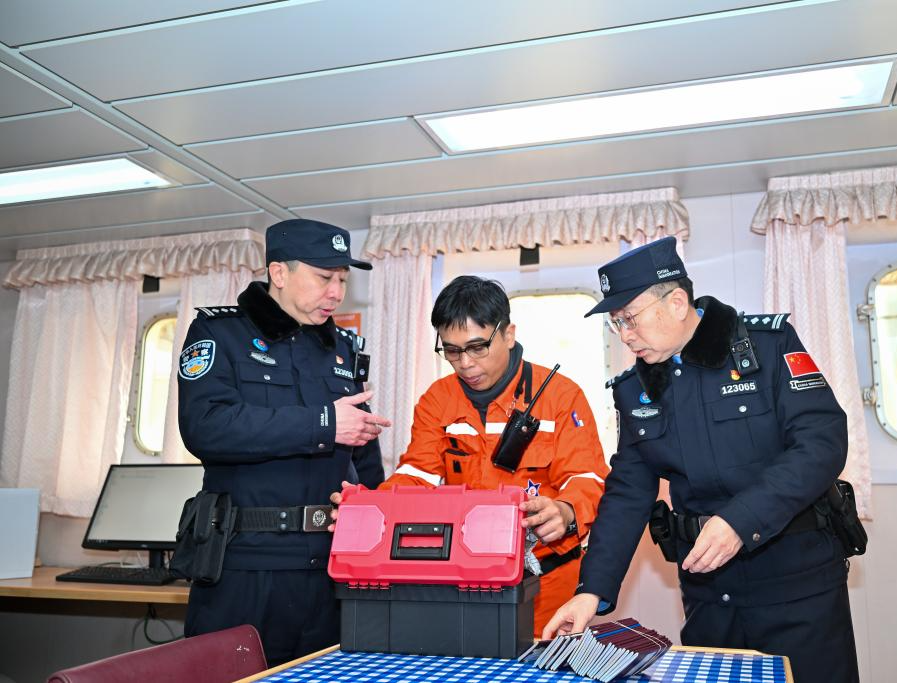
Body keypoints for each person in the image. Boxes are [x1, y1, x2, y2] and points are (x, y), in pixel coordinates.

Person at [543, 237, 859, 682]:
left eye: (630, 318)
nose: (625, 335)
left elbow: (822, 443)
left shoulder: (766, 346)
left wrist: (739, 521)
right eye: (616, 324)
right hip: (711, 596)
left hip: (797, 587)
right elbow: (628, 492)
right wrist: (591, 592)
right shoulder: (636, 390)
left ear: (676, 303)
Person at [177, 218, 391, 666]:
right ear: (279, 272)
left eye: (342, 280)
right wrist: (323, 423)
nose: (336, 292)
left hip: (331, 567)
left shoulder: (343, 348)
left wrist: (370, 519)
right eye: (324, 277)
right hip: (248, 565)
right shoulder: (220, 333)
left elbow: (363, 456)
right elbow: (205, 427)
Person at [360, 275, 609, 636]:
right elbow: (417, 475)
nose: (465, 363)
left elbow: (587, 477)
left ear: (508, 334)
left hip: (548, 584)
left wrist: (566, 511)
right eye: (452, 350)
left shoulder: (560, 396)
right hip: (465, 582)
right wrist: (367, 510)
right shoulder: (437, 400)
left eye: (477, 347)